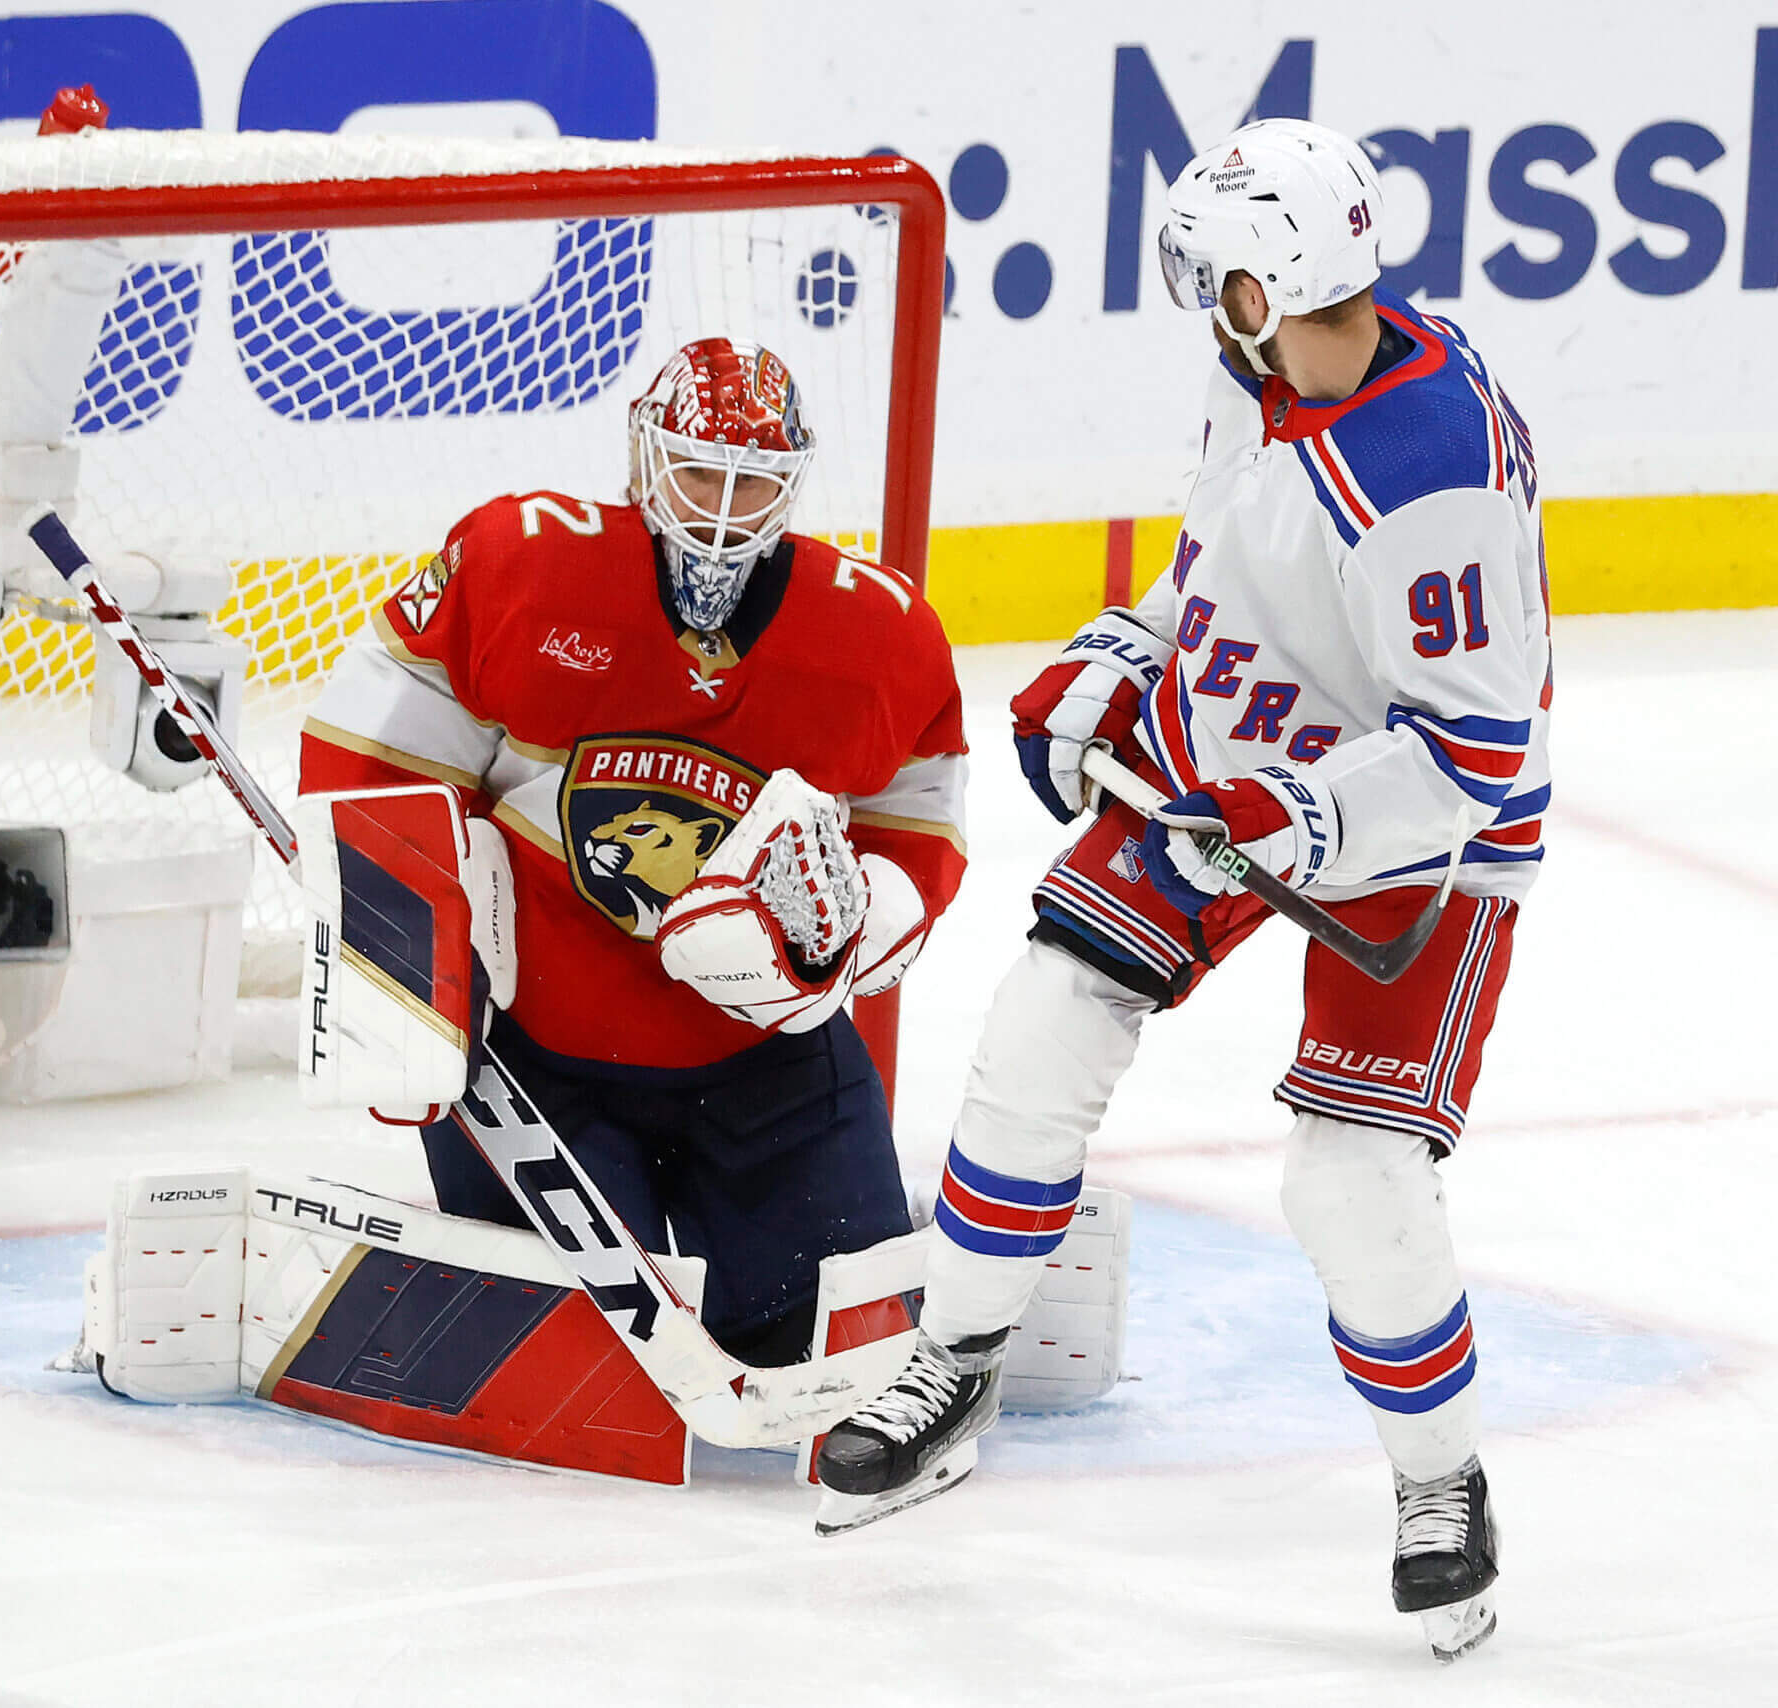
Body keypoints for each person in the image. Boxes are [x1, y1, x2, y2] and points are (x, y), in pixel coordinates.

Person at [815, 118, 1545, 1664]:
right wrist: (1134, 650)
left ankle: (1442, 1485)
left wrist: (1292, 812)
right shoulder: (1269, 368)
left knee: (1350, 1181)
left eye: (1214, 273)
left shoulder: (1434, 481)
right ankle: (955, 1359)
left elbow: (1471, 753)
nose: (1198, 299)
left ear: (1269, 281)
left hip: (1416, 834)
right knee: (1040, 1029)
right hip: (1241, 760)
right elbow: (1227, 560)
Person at [297, 337, 968, 1369]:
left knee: (829, 1348)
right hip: (534, 1056)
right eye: (700, 471)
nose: (721, 507)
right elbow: (369, 758)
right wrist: (405, 980)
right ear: (646, 456)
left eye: (754, 485)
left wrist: (853, 923)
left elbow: (919, 817)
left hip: (764, 1064)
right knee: (566, 1362)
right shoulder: (527, 565)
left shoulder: (876, 633)